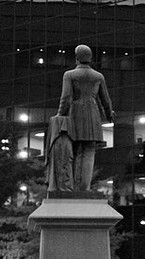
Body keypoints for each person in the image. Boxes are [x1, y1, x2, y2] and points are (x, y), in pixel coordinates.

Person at [49, 44, 115, 191]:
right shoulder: (98, 76)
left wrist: (60, 115)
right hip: (94, 115)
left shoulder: (70, 75)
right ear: (90, 58)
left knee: (77, 150)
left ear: (77, 57)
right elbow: (106, 99)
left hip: (76, 114)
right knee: (89, 151)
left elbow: (65, 98)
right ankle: (84, 187)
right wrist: (109, 113)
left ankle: (76, 188)